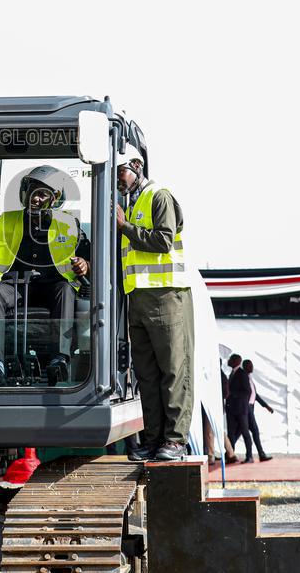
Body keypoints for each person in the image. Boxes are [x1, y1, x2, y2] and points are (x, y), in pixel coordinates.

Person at [0, 165, 90, 386]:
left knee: (65, 289)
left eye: (42, 193)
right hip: (13, 288)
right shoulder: (6, 221)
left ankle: (59, 360)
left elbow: (88, 258)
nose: (35, 198)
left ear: (54, 199)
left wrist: (85, 265)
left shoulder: (69, 224)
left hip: (51, 288)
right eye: (32, 190)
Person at [116, 144, 194, 463]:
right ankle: (153, 439)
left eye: (120, 171)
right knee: (146, 375)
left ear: (136, 166)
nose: (118, 180)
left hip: (166, 297)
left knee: (172, 370)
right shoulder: (131, 205)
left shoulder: (159, 196)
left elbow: (163, 241)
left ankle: (175, 440)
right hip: (138, 299)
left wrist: (124, 227)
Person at [226, 354, 254, 463]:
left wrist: (232, 394)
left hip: (241, 409)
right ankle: (231, 455)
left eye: (230, 359)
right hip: (232, 409)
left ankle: (249, 456)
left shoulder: (242, 374)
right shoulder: (232, 373)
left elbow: (247, 391)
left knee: (245, 432)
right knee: (231, 433)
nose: (228, 361)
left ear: (236, 361)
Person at [243, 359, 273, 462]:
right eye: (249, 365)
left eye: (252, 365)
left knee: (252, 431)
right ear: (245, 366)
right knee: (250, 431)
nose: (252, 367)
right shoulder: (244, 378)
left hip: (250, 408)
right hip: (246, 408)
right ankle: (253, 455)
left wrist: (266, 406)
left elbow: (255, 395)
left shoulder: (250, 378)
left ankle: (259, 454)